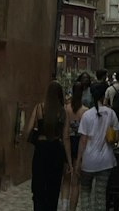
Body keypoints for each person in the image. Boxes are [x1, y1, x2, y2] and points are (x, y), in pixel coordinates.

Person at [26, 81, 72, 211]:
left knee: (38, 186)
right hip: (56, 150)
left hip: (41, 149)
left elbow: (28, 130)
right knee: (53, 187)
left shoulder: (39, 108)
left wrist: (36, 136)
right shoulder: (63, 112)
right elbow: (66, 137)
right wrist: (69, 162)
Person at [75, 80, 119, 211]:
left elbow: (83, 141)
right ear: (102, 95)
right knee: (100, 195)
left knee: (85, 192)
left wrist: (78, 161)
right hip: (106, 161)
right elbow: (116, 137)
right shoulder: (111, 113)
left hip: (88, 161)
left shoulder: (87, 115)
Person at [65, 78, 89, 211]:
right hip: (80, 145)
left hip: (68, 143)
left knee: (66, 180)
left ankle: (63, 206)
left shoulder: (66, 109)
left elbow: (65, 134)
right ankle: (72, 209)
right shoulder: (86, 111)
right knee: (76, 182)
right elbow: (85, 136)